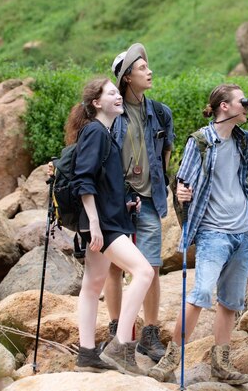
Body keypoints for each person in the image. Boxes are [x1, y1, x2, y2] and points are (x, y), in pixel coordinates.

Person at [148, 83, 248, 384]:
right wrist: (183, 193)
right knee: (200, 294)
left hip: (242, 233)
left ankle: (221, 364)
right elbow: (181, 184)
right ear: (224, 106)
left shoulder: (243, 139)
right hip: (214, 234)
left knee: (230, 302)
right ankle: (171, 359)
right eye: (243, 101)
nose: (247, 106)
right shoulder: (200, 141)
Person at [70, 77, 154, 375]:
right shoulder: (96, 132)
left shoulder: (103, 133)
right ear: (97, 102)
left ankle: (87, 353)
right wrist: (93, 222)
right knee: (143, 272)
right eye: (111, 93)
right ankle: (120, 347)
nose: (118, 96)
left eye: (118, 92)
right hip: (103, 225)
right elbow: (84, 179)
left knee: (92, 287)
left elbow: (104, 184)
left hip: (107, 219)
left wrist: (125, 204)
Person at [104, 43, 175, 362]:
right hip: (117, 202)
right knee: (115, 269)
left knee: (152, 268)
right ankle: (116, 331)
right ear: (127, 77)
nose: (150, 71)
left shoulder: (160, 113)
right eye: (142, 68)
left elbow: (166, 154)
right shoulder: (112, 115)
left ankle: (149, 334)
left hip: (148, 200)